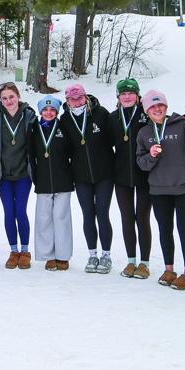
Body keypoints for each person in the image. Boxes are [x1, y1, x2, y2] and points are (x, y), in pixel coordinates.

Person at [137, 90, 185, 290]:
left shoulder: (182, 125)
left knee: (184, 230)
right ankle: (169, 270)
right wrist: (151, 155)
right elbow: (141, 164)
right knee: (165, 230)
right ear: (146, 110)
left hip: (184, 189)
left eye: (161, 105)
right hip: (159, 190)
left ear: (166, 107)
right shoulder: (144, 133)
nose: (157, 109)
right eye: (152, 106)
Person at [60, 83, 115, 274]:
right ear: (67, 101)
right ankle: (92, 255)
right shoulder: (65, 119)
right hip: (81, 176)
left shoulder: (100, 113)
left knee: (102, 213)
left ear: (86, 97)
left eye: (79, 98)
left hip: (104, 174)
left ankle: (106, 255)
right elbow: (64, 149)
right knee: (88, 214)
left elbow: (114, 138)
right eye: (72, 99)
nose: (76, 102)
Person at [108, 78, 152, 279]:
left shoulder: (146, 114)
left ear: (137, 96)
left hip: (145, 175)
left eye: (131, 93)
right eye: (123, 93)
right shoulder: (113, 118)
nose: (127, 97)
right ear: (118, 96)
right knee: (127, 218)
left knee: (142, 218)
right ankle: (131, 261)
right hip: (121, 176)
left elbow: (164, 122)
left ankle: (144, 263)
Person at [0, 82, 37, 269]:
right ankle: (13, 251)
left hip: (23, 174)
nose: (8, 101)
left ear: (18, 96)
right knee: (9, 212)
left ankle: (24, 251)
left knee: (20, 211)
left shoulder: (29, 116)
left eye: (11, 97)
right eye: (4, 98)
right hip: (4, 175)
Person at [29, 95, 73, 271]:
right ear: (40, 111)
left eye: (52, 109)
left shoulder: (63, 127)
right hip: (43, 180)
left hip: (63, 180)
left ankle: (63, 256)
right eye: (45, 110)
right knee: (44, 218)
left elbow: (72, 152)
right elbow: (30, 155)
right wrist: (35, 178)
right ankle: (48, 256)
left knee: (61, 218)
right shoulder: (34, 128)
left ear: (57, 111)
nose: (48, 113)